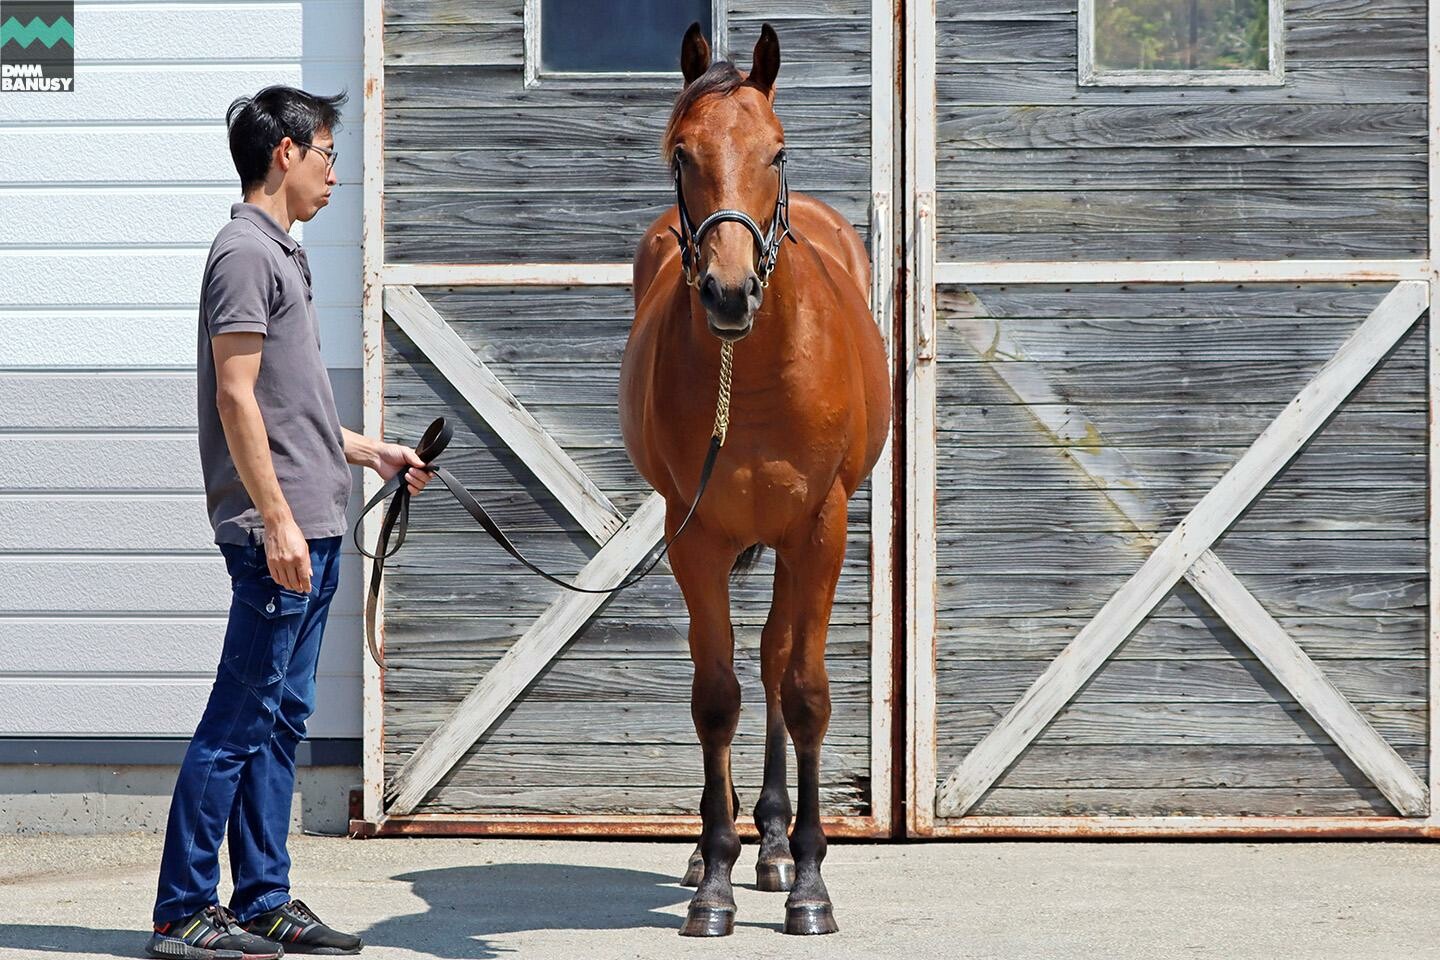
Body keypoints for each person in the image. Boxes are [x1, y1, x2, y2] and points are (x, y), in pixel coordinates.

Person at [147, 85, 433, 960]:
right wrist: (273, 520)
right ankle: (184, 910)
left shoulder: (285, 256)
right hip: (278, 536)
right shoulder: (243, 253)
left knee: (277, 724)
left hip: (313, 528)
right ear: (286, 153)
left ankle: (264, 898)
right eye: (328, 155)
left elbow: (290, 411)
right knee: (235, 724)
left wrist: (370, 452)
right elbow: (235, 398)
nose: (334, 174)